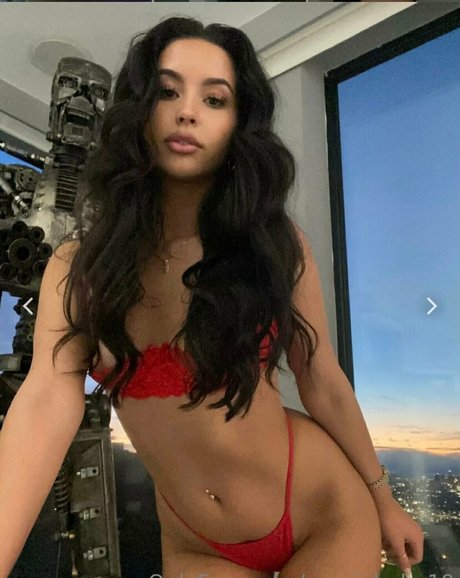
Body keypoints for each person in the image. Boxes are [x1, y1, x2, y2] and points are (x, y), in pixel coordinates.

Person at [0, 16, 424, 578]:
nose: (187, 112)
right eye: (167, 91)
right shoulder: (78, 271)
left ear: (238, 125)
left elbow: (320, 376)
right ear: (139, 112)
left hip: (320, 510)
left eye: (214, 98)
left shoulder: (272, 245)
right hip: (195, 542)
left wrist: (384, 500)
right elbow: (42, 408)